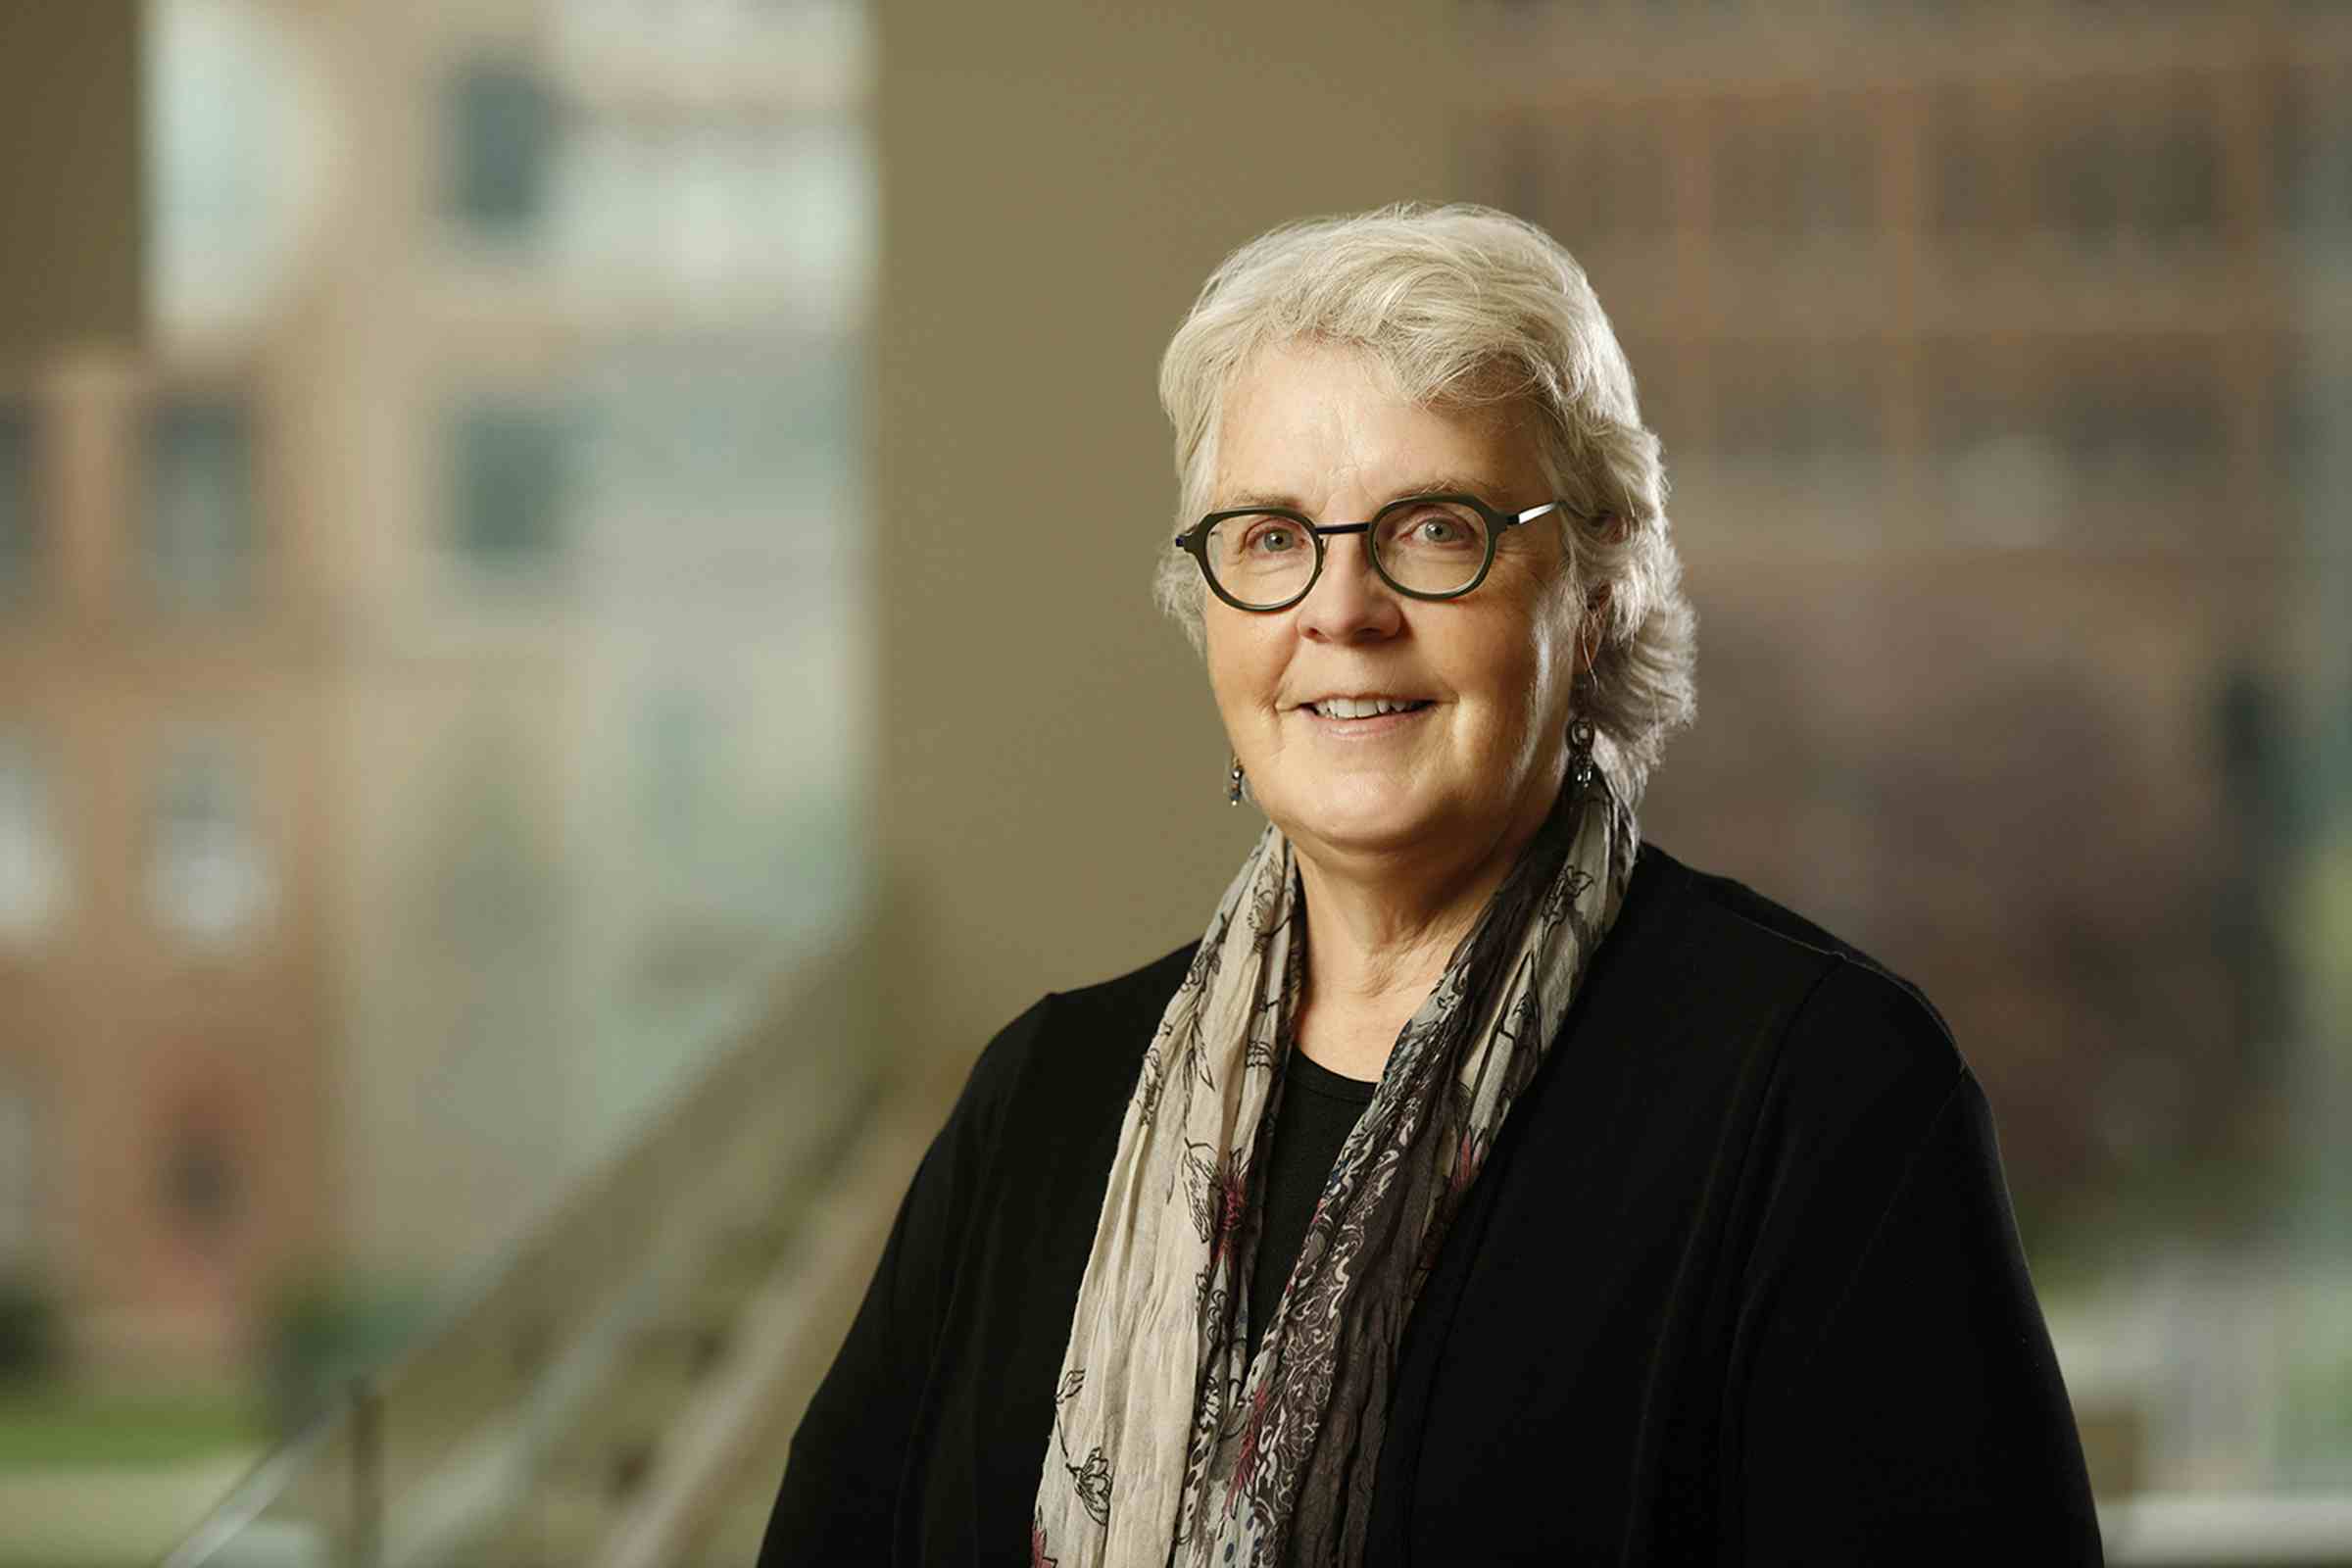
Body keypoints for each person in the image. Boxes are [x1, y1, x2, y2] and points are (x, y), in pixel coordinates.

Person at [760, 204, 2101, 1567]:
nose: (1342, 609)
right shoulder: (1043, 1105)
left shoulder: (1819, 1098)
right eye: (1273, 538)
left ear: (1593, 594)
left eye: (1434, 528)